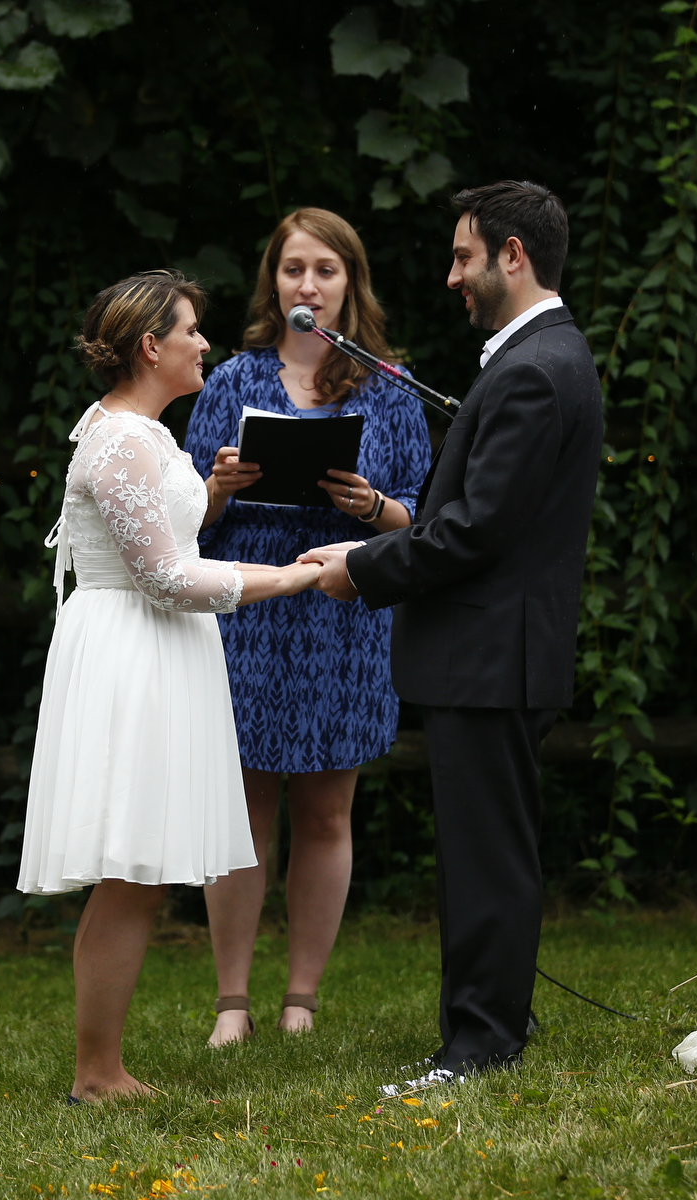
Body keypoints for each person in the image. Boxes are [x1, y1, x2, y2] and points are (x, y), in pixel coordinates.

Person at [301, 181, 603, 1090]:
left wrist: (362, 568)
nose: (452, 276)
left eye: (465, 256)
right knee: (491, 848)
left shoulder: (535, 370)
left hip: (492, 654)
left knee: (485, 856)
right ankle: (498, 1013)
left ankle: (480, 1043)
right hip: (494, 651)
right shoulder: (540, 356)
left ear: (515, 255)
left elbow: (474, 532)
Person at [17, 270, 321, 1102]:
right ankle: (97, 1074)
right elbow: (167, 578)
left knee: (141, 871)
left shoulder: (143, 432)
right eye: (191, 330)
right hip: (132, 654)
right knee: (132, 868)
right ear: (151, 346)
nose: (204, 343)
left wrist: (213, 493)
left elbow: (171, 540)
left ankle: (100, 1068)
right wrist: (291, 579)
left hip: (153, 648)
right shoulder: (123, 440)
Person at [183, 208, 430, 1045]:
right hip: (248, 615)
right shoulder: (230, 382)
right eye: (294, 269)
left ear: (351, 282)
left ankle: (301, 1001)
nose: (309, 284)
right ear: (274, 282)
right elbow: (181, 522)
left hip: (342, 618)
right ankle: (232, 1003)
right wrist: (218, 489)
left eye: (326, 269)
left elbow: (422, 519)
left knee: (326, 813)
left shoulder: (390, 388)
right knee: (242, 814)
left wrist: (372, 505)